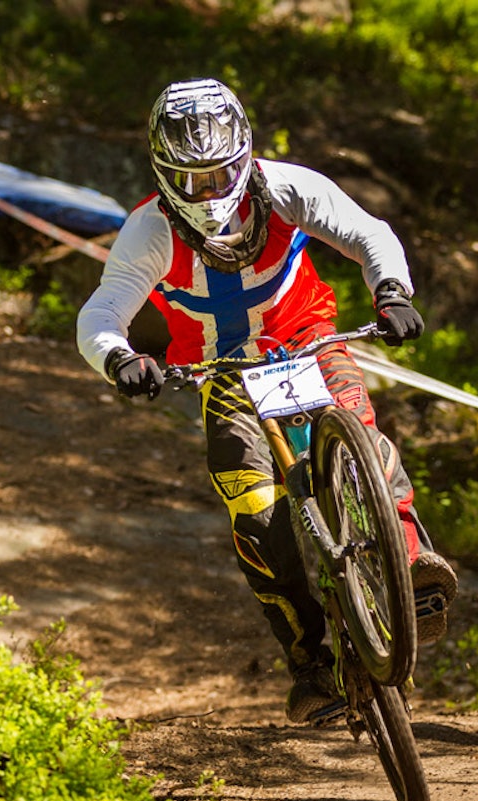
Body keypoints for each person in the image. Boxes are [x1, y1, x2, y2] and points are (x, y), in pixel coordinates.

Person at [77, 78, 457, 724]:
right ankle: (309, 662)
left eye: (221, 172)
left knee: (361, 429)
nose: (209, 192)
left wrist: (391, 291)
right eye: (191, 180)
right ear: (164, 175)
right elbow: (102, 312)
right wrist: (120, 358)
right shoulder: (149, 230)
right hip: (221, 369)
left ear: (246, 154)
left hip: (309, 337)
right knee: (254, 512)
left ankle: (409, 557)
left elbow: (369, 233)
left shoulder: (286, 188)